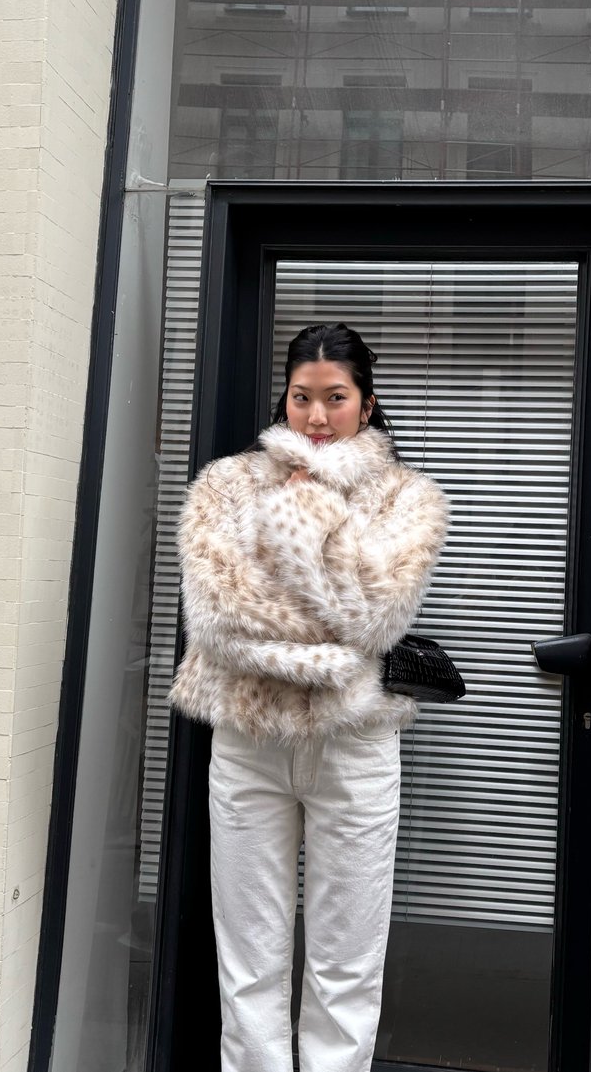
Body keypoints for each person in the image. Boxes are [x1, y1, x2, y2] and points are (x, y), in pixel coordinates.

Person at [169, 322, 449, 1072]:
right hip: (249, 743)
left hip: (353, 748)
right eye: (302, 398)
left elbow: (377, 615)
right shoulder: (226, 485)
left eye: (335, 397)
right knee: (249, 963)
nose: (317, 417)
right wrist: (333, 646)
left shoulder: (408, 499)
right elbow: (221, 619)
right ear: (283, 399)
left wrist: (304, 517)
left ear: (366, 402)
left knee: (346, 965)